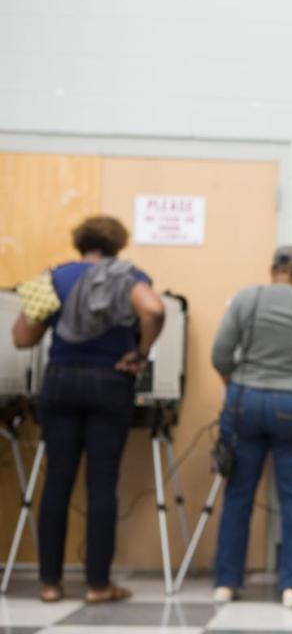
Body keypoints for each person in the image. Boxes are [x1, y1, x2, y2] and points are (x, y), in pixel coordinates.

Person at [11, 215, 166, 603]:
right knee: (102, 486)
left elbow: (21, 338)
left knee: (56, 484)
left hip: (61, 382)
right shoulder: (130, 275)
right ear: (118, 244)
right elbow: (155, 311)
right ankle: (98, 585)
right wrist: (140, 352)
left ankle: (50, 584)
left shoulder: (54, 277)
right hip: (110, 382)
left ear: (80, 242)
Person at [210, 245, 292, 609]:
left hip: (244, 402)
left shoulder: (246, 298)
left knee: (238, 493)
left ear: (272, 270)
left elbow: (220, 354)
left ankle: (226, 583)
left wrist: (238, 386)